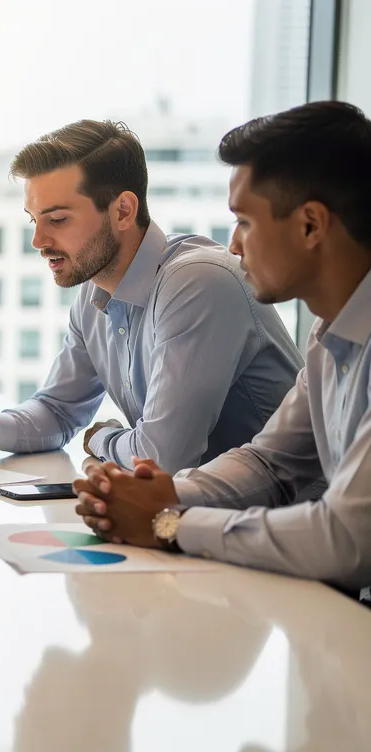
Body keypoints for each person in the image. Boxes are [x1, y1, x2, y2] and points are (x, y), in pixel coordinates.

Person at [73, 101, 371, 594]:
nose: (233, 246)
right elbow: (269, 462)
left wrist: (168, 524)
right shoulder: (330, 336)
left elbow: (348, 538)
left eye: (246, 222)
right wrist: (164, 495)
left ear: (311, 225)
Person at [0, 119, 300, 473]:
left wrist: (101, 437)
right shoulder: (94, 293)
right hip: (198, 516)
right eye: (34, 220)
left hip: (280, 523)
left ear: (123, 210)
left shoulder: (197, 283)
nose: (38, 241)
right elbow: (58, 410)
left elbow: (161, 459)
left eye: (58, 220)